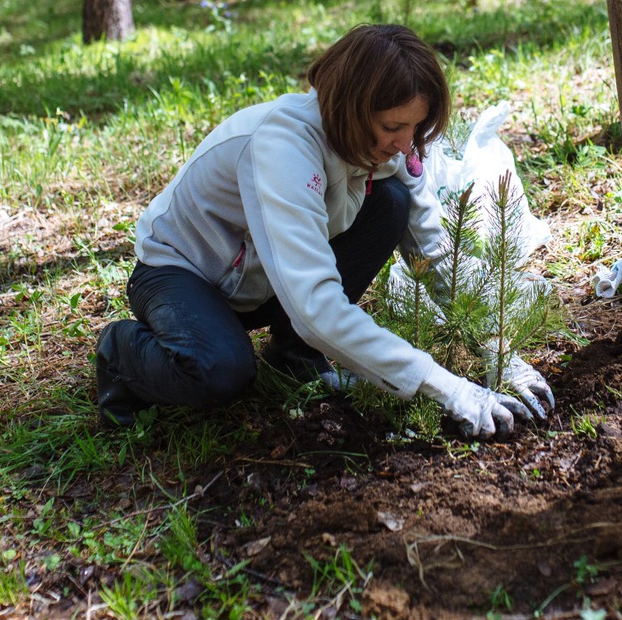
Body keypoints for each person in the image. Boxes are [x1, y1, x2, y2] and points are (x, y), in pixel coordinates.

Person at [93, 24, 555, 439]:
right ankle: (120, 352)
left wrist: (498, 352)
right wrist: (446, 387)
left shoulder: (389, 146)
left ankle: (295, 358)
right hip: (185, 275)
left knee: (392, 203)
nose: (405, 143)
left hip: (268, 277)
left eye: (414, 126)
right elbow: (315, 305)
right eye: (392, 126)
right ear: (350, 109)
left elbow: (434, 250)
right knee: (220, 371)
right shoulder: (283, 148)